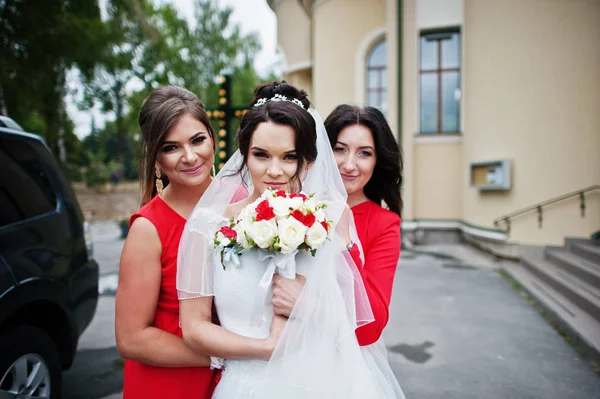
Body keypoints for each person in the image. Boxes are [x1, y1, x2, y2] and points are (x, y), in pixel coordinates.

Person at [177, 82, 405, 398]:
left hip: (327, 382)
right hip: (246, 385)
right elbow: (194, 329)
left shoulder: (330, 220)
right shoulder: (207, 225)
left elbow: (362, 323)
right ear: (244, 155)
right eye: (261, 155)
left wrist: (310, 304)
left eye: (289, 157)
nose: (275, 170)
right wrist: (267, 348)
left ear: (308, 161)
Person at [115, 86, 220, 398]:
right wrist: (224, 355)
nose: (189, 157)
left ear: (212, 137)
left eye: (197, 140)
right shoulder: (148, 229)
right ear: (156, 157)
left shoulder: (245, 205)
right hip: (171, 382)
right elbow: (131, 338)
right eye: (171, 147)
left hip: (237, 380)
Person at [271, 104, 403, 346]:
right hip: (270, 351)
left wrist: (345, 243)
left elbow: (370, 329)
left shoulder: (384, 224)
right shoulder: (288, 204)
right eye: (339, 150)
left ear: (378, 160)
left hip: (335, 360)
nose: (349, 164)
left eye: (364, 153)